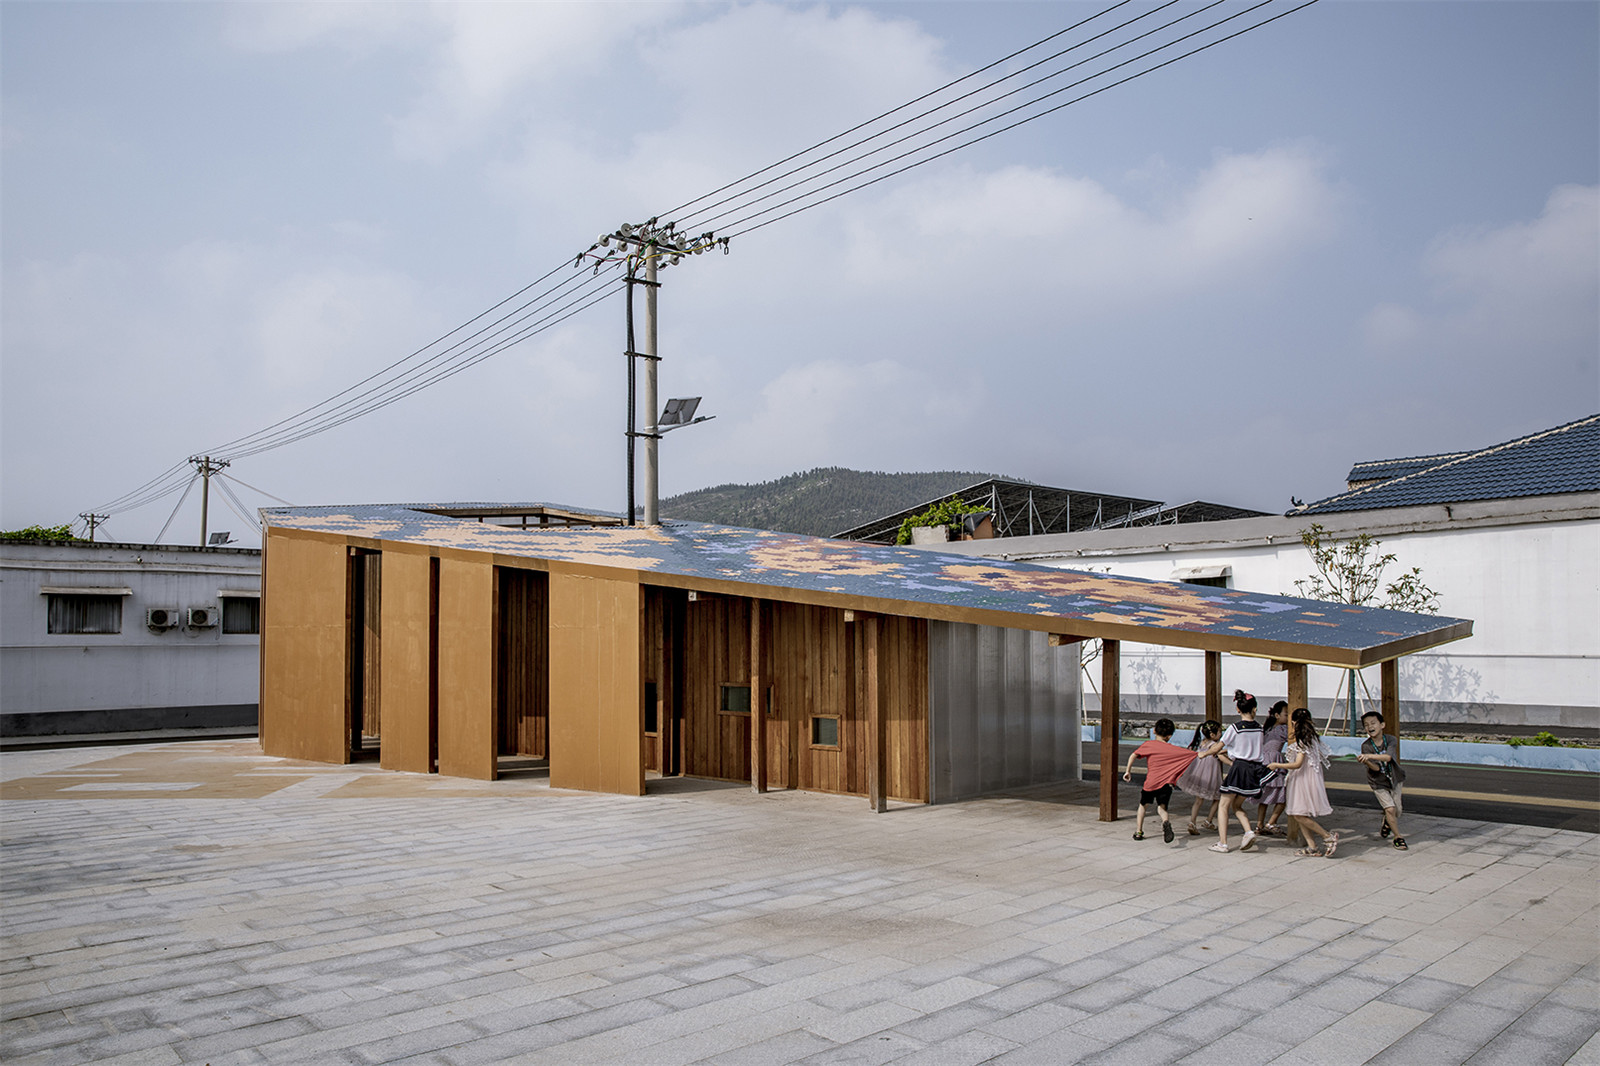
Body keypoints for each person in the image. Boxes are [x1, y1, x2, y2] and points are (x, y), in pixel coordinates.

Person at [1208, 690, 1273, 853]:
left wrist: (1204, 753)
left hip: (1239, 768)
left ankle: (1223, 843)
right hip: (1254, 770)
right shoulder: (1259, 728)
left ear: (1237, 709)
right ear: (1255, 709)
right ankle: (1248, 831)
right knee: (1237, 805)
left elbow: (1218, 746)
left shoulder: (1235, 728)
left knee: (1223, 805)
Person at [1267, 708, 1339, 857]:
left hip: (1302, 780)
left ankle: (1327, 836)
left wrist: (1277, 765)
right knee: (1298, 813)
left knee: (1299, 814)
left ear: (1293, 722)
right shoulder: (1311, 738)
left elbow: (1297, 764)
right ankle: (1312, 847)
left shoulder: (1303, 741)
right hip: (1306, 779)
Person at [1122, 718, 1198, 843]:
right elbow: (1191, 754)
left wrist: (1128, 771)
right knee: (1162, 808)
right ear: (1169, 736)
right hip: (1166, 784)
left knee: (1143, 806)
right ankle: (1166, 822)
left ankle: (1139, 831)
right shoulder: (1172, 749)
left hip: (1150, 783)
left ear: (1154, 731)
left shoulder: (1148, 745)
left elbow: (1134, 755)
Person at [1357, 709, 1408, 850]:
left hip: (1395, 779)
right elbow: (1376, 769)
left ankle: (1387, 822)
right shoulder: (1366, 746)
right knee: (1390, 809)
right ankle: (1398, 837)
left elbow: (1388, 758)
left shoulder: (1391, 740)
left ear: (1382, 725)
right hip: (1378, 782)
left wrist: (1370, 757)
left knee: (1397, 810)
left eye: (1373, 723)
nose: (1370, 727)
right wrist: (1366, 761)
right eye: (1366, 725)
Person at [1175, 720, 1224, 834]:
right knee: (1218, 797)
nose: (1221, 734)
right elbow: (1220, 755)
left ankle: (1192, 822)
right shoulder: (1215, 745)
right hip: (1211, 773)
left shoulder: (1202, 742)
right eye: (1220, 732)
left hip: (1199, 772)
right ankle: (1208, 820)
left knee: (1198, 800)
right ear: (1212, 734)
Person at [1255, 701, 1289, 837]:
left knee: (1264, 797)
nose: (1288, 717)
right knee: (1283, 795)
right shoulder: (1283, 729)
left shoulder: (1267, 728)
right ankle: (1271, 822)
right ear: (1277, 715)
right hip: (1274, 763)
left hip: (1263, 762)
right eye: (1286, 714)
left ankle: (1259, 825)